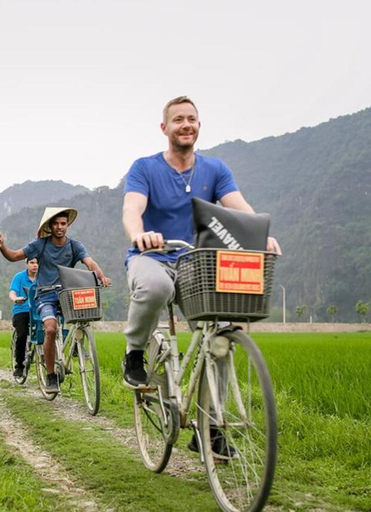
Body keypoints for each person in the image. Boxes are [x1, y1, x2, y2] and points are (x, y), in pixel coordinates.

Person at [121, 95, 282, 454]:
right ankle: (134, 353)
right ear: (165, 128)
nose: (186, 125)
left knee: (221, 335)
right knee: (155, 286)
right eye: (178, 120)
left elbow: (239, 208)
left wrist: (259, 234)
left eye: (191, 119)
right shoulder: (145, 168)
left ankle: (208, 427)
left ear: (199, 125)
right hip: (153, 255)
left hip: (196, 262)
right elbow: (133, 208)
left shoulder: (215, 169)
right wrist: (139, 234)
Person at [0, 207, 112, 393]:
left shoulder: (74, 246)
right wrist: (2, 247)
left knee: (83, 316)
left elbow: (90, 263)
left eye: (63, 223)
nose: (59, 227)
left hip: (66, 294)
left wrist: (101, 276)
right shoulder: (40, 245)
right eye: (56, 223)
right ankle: (50, 375)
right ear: (50, 226)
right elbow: (15, 256)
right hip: (45, 295)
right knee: (50, 328)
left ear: (67, 225)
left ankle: (73, 348)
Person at [9, 257, 39, 378]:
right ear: (26, 264)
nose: (35, 265)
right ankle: (19, 365)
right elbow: (12, 292)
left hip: (38, 310)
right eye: (32, 263)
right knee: (21, 335)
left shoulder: (43, 277)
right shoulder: (19, 277)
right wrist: (15, 299)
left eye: (37, 263)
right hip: (22, 310)